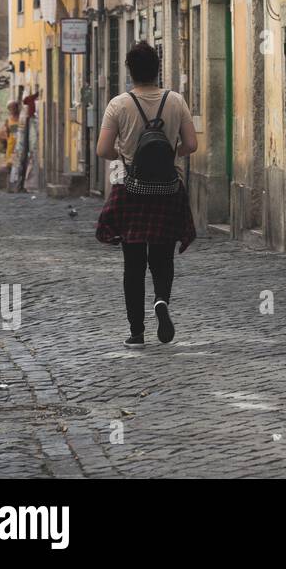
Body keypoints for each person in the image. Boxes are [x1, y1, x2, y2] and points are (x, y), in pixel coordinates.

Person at [95, 42, 197, 347]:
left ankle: (136, 332)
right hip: (168, 188)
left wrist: (128, 157)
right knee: (163, 257)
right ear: (157, 69)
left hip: (131, 189)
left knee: (134, 263)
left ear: (130, 71)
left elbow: (102, 150)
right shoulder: (176, 101)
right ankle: (161, 300)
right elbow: (191, 145)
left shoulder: (118, 104)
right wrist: (169, 156)